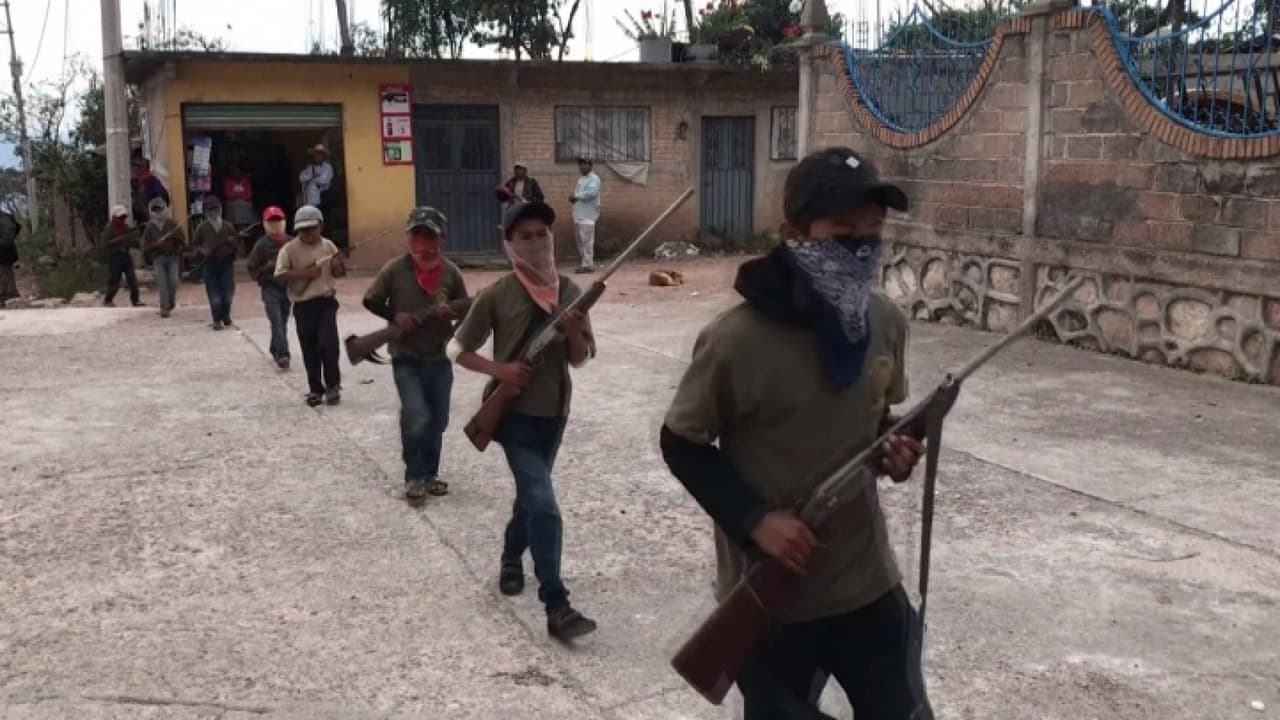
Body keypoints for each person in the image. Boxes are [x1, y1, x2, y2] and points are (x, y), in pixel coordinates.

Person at [660, 147, 931, 720]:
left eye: (873, 233)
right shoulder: (735, 341)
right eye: (843, 234)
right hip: (770, 597)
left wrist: (894, 451)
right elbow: (681, 442)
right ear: (794, 234)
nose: (862, 248)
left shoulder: (884, 323)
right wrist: (755, 519)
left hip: (867, 583)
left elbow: (874, 423)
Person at [447, 200, 598, 642]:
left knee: (532, 499)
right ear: (509, 244)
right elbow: (456, 350)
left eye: (542, 234)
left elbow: (579, 359)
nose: (536, 243)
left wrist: (574, 331)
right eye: (525, 236)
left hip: (554, 416)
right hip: (512, 417)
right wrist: (502, 371)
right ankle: (557, 605)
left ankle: (512, 557)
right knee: (544, 504)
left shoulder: (571, 292)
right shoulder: (497, 293)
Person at [363, 207, 470, 501]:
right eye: (417, 235)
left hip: (439, 356)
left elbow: (466, 308)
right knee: (416, 415)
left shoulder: (451, 272)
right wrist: (395, 316)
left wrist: (451, 316)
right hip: (406, 356)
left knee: (438, 419)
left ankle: (430, 474)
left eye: (429, 236)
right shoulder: (394, 269)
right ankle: (414, 476)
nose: (423, 242)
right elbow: (371, 300)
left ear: (441, 238)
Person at [274, 205, 346, 407]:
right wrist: (306, 273)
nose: (307, 233)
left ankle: (333, 385)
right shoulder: (289, 249)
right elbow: (280, 276)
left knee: (328, 344)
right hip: (303, 304)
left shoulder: (328, 246)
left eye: (311, 228)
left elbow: (339, 273)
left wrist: (338, 263)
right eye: (302, 230)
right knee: (309, 347)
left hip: (326, 301)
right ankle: (315, 389)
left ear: (320, 226)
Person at [245, 206, 293, 369]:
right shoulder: (261, 245)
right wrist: (265, 270)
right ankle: (283, 354)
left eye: (278, 221)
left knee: (283, 321)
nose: (275, 225)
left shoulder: (292, 243)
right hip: (270, 288)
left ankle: (275, 348)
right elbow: (251, 267)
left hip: (287, 288)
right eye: (271, 221)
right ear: (265, 224)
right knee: (276, 320)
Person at [194, 195, 239, 329]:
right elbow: (194, 245)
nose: (214, 212)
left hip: (226, 263)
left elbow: (237, 244)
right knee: (214, 296)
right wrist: (203, 251)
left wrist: (233, 242)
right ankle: (216, 320)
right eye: (211, 209)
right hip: (210, 264)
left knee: (227, 294)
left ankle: (226, 315)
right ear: (206, 211)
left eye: (216, 208)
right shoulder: (202, 228)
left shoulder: (228, 226)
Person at [141, 197, 187, 318]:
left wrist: (175, 239)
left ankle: (170, 302)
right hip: (158, 258)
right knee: (162, 283)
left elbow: (182, 240)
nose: (158, 213)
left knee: (173, 282)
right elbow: (145, 246)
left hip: (172, 257)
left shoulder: (172, 223)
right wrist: (155, 245)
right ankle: (164, 308)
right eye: (155, 210)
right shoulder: (150, 227)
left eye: (160, 209)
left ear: (165, 209)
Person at [101, 205, 143, 307]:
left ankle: (135, 300)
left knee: (132, 279)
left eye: (123, 217)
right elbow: (104, 244)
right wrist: (118, 240)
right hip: (115, 257)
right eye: (120, 217)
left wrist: (135, 239)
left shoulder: (126, 228)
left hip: (126, 255)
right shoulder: (109, 229)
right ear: (114, 217)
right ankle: (108, 300)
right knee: (114, 279)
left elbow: (134, 242)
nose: (122, 219)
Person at [568, 157, 601, 274]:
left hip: (588, 216)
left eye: (585, 164)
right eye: (580, 164)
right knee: (580, 241)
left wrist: (576, 196)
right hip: (578, 215)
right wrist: (573, 198)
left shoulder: (594, 179)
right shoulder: (581, 179)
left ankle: (588, 265)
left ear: (590, 165)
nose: (582, 166)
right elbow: (578, 194)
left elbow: (591, 193)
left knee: (587, 241)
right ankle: (585, 262)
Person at [131, 158, 170, 225]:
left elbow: (163, 197)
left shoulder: (150, 181)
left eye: (138, 167)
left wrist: (152, 216)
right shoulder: (138, 182)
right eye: (134, 166)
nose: (135, 169)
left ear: (144, 168)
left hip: (150, 221)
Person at [299, 144, 334, 211]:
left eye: (320, 155)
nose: (318, 157)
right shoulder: (310, 167)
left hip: (324, 198)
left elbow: (324, 180)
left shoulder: (327, 167)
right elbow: (301, 178)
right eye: (316, 155)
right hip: (310, 199)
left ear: (324, 157)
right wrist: (312, 177)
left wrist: (312, 179)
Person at [0, 209, 20, 304]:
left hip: (5, 252)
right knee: (5, 273)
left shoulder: (5, 219)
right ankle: (6, 295)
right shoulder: (5, 218)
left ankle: (10, 295)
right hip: (4, 251)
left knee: (6, 272)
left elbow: (8, 237)